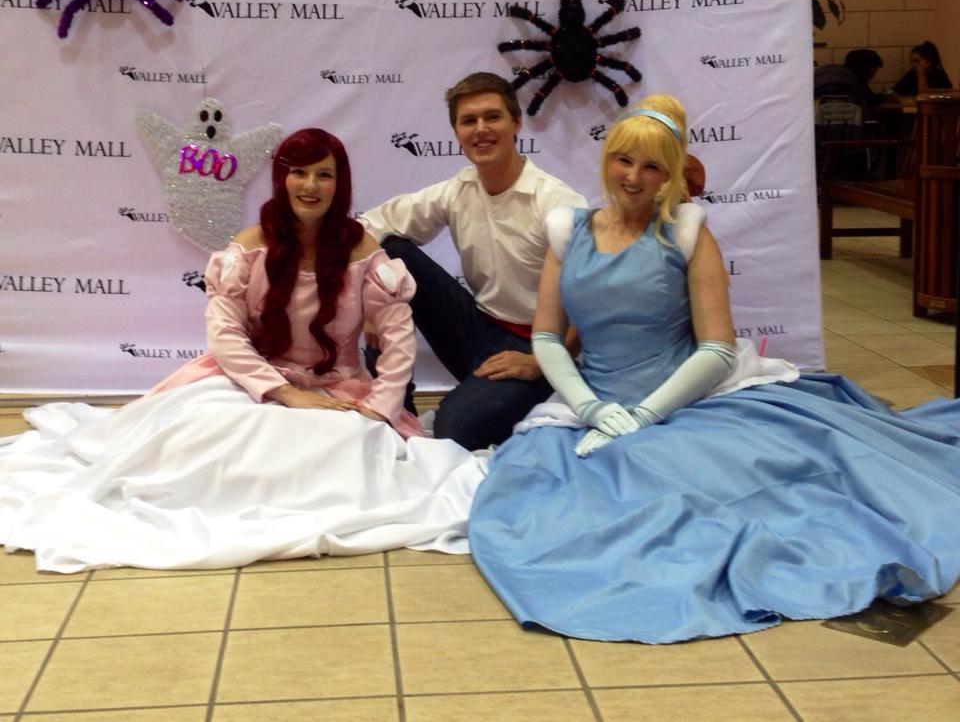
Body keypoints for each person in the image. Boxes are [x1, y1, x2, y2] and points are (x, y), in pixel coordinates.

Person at [468, 94, 960, 644]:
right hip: (591, 407)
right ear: (607, 159)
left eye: (652, 166)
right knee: (536, 510)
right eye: (624, 160)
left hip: (687, 400)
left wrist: (645, 414)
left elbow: (718, 349)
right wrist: (590, 407)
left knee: (736, 491)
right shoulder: (567, 230)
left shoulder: (686, 232)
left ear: (670, 174)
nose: (633, 177)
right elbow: (546, 336)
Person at [0, 129, 487, 573]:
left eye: (324, 174)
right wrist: (284, 392)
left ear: (341, 183)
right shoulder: (250, 247)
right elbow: (226, 335)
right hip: (252, 381)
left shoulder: (363, 251)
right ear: (282, 178)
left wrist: (380, 408)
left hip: (339, 389)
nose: (311, 185)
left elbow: (398, 342)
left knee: (340, 449)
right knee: (211, 437)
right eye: (299, 172)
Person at [361, 72, 586, 450]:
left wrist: (539, 363)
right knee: (391, 252)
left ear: (516, 123)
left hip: (542, 346)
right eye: (469, 121)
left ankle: (523, 396)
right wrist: (373, 302)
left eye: (492, 117)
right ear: (457, 132)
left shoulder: (557, 203)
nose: (481, 129)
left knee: (454, 429)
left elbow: (596, 301)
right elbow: (370, 226)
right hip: (479, 330)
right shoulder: (458, 191)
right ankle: (398, 411)